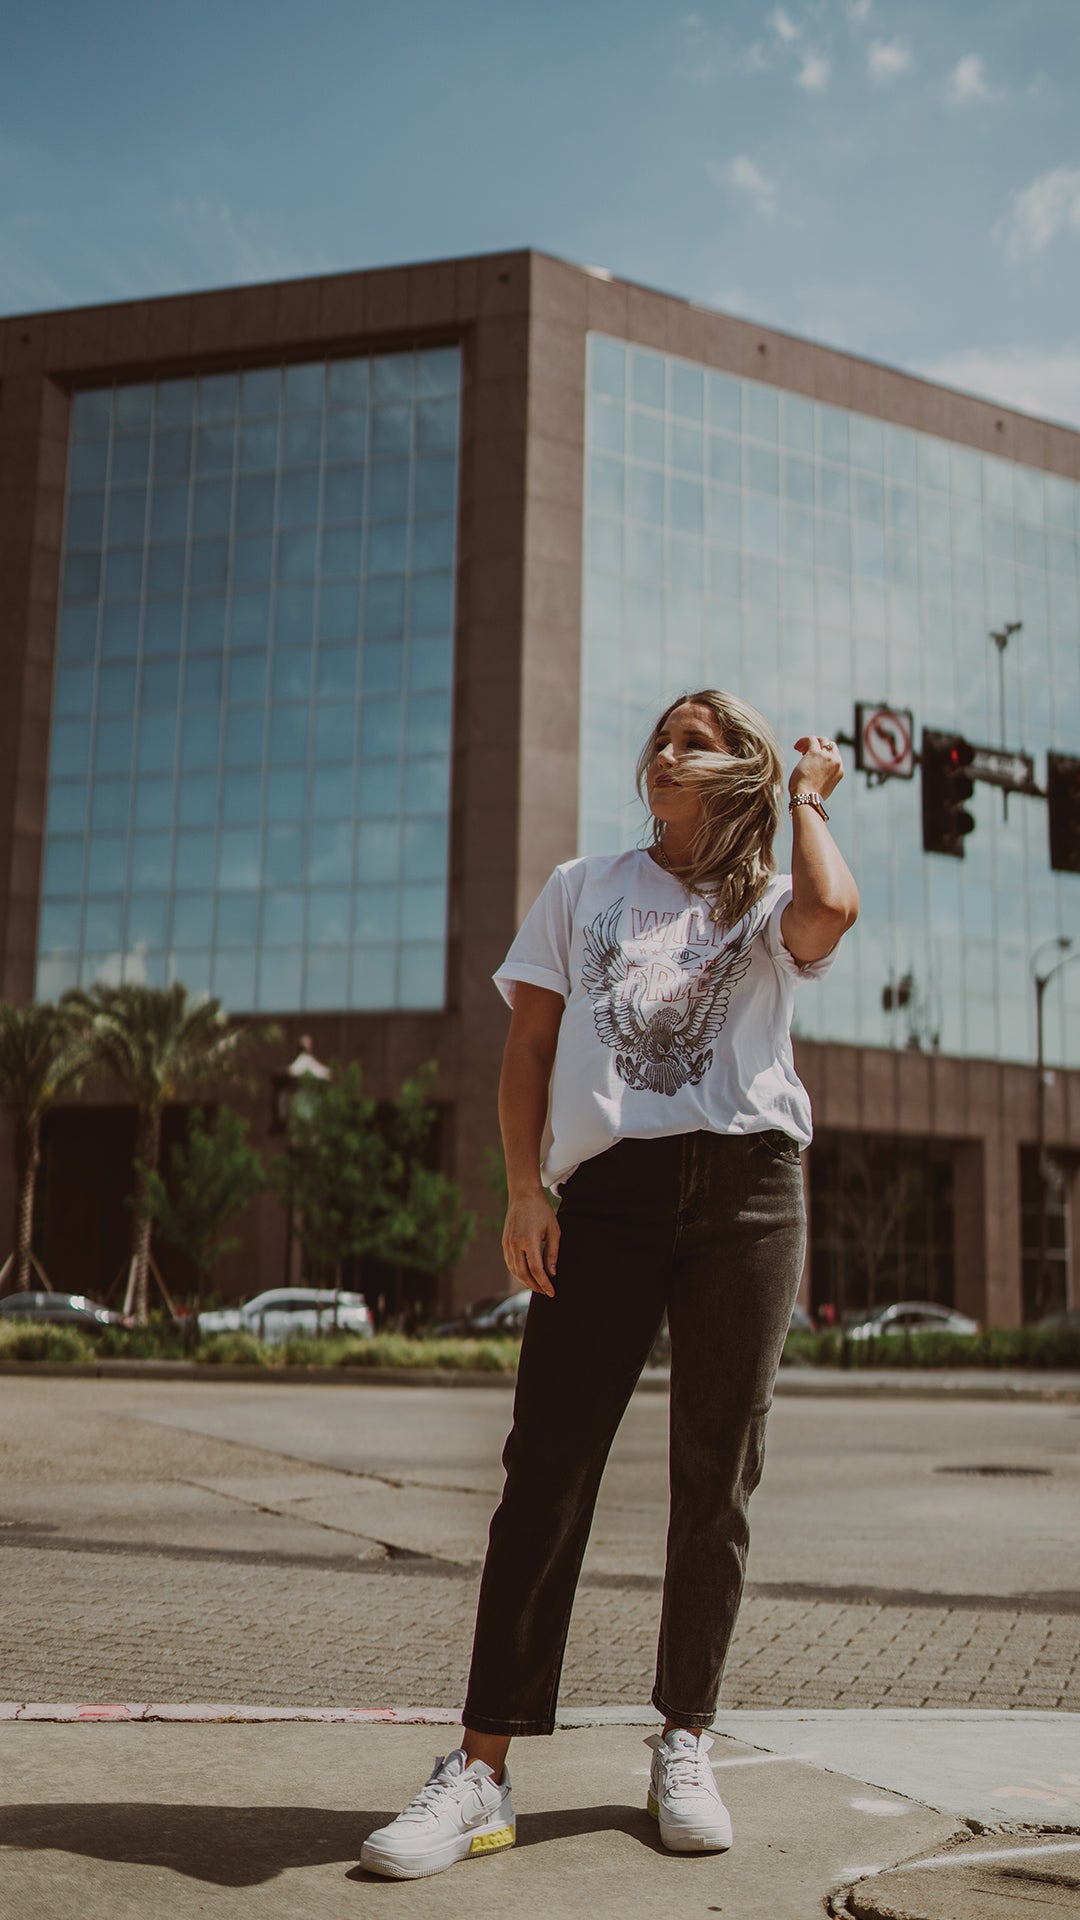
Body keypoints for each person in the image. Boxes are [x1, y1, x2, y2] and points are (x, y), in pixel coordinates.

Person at [360, 689, 858, 1881]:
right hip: (612, 1197)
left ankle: (683, 1737)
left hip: (749, 1192)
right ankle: (481, 1769)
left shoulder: (765, 895)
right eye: (664, 736)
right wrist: (525, 1191)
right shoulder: (583, 886)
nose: (669, 749)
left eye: (701, 737)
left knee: (714, 1474)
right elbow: (529, 1047)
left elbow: (833, 910)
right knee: (546, 1470)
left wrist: (805, 796)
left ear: (736, 767)